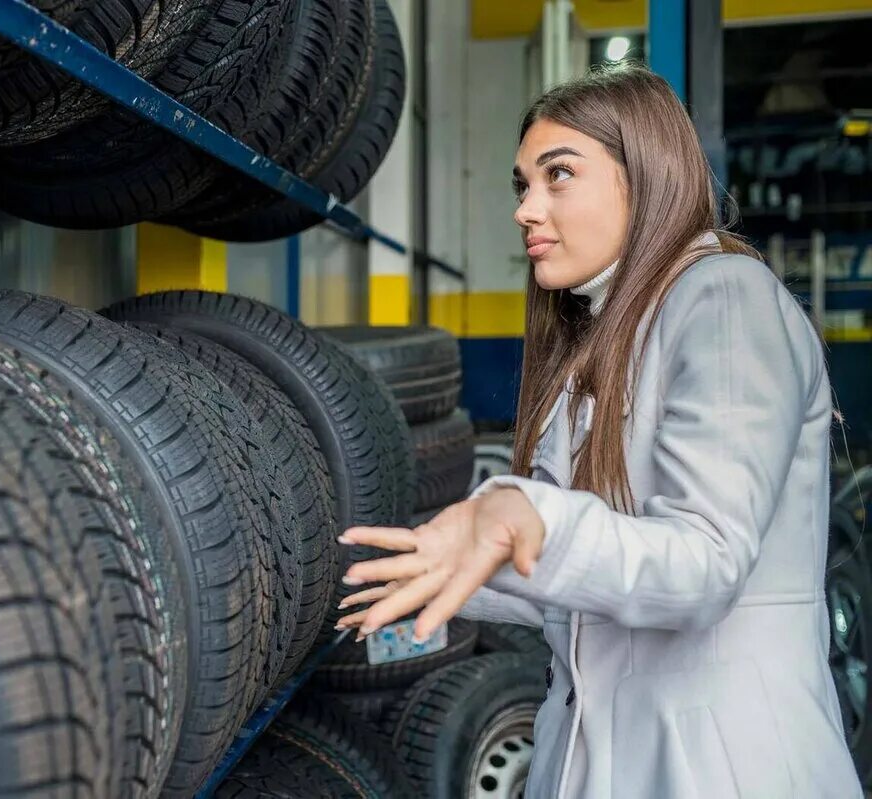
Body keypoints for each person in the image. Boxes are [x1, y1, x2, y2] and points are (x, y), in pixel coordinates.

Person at [334, 64, 861, 798]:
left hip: (723, 767)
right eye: (522, 184)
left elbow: (703, 561)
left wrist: (530, 515)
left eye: (559, 175)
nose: (526, 208)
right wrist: (417, 560)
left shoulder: (726, 299)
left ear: (643, 177)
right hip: (597, 757)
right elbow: (583, 577)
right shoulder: (601, 340)